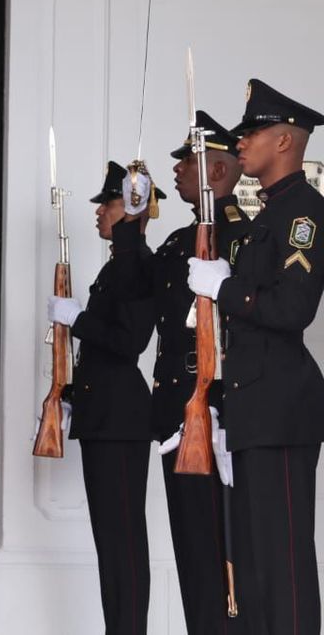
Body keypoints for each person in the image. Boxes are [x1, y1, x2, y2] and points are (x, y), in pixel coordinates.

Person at [187, 79, 324, 634]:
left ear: (286, 141)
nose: (241, 143)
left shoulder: (304, 213)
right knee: (253, 569)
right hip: (250, 406)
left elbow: (292, 310)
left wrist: (226, 289)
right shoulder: (265, 215)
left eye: (254, 132)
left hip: (280, 407)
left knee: (283, 566)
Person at [151, 111, 250, 635]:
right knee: (191, 549)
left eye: (187, 161)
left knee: (224, 552)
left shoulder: (243, 239)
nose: (177, 170)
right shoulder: (175, 242)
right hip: (177, 416)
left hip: (221, 414)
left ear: (218, 173)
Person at [47, 161, 156, 634]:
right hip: (103, 414)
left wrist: (77, 319)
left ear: (131, 209)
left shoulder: (135, 265)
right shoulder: (118, 266)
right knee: (111, 543)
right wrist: (70, 394)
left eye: (107, 204)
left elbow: (129, 341)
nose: (98, 213)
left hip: (120, 420)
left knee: (124, 544)